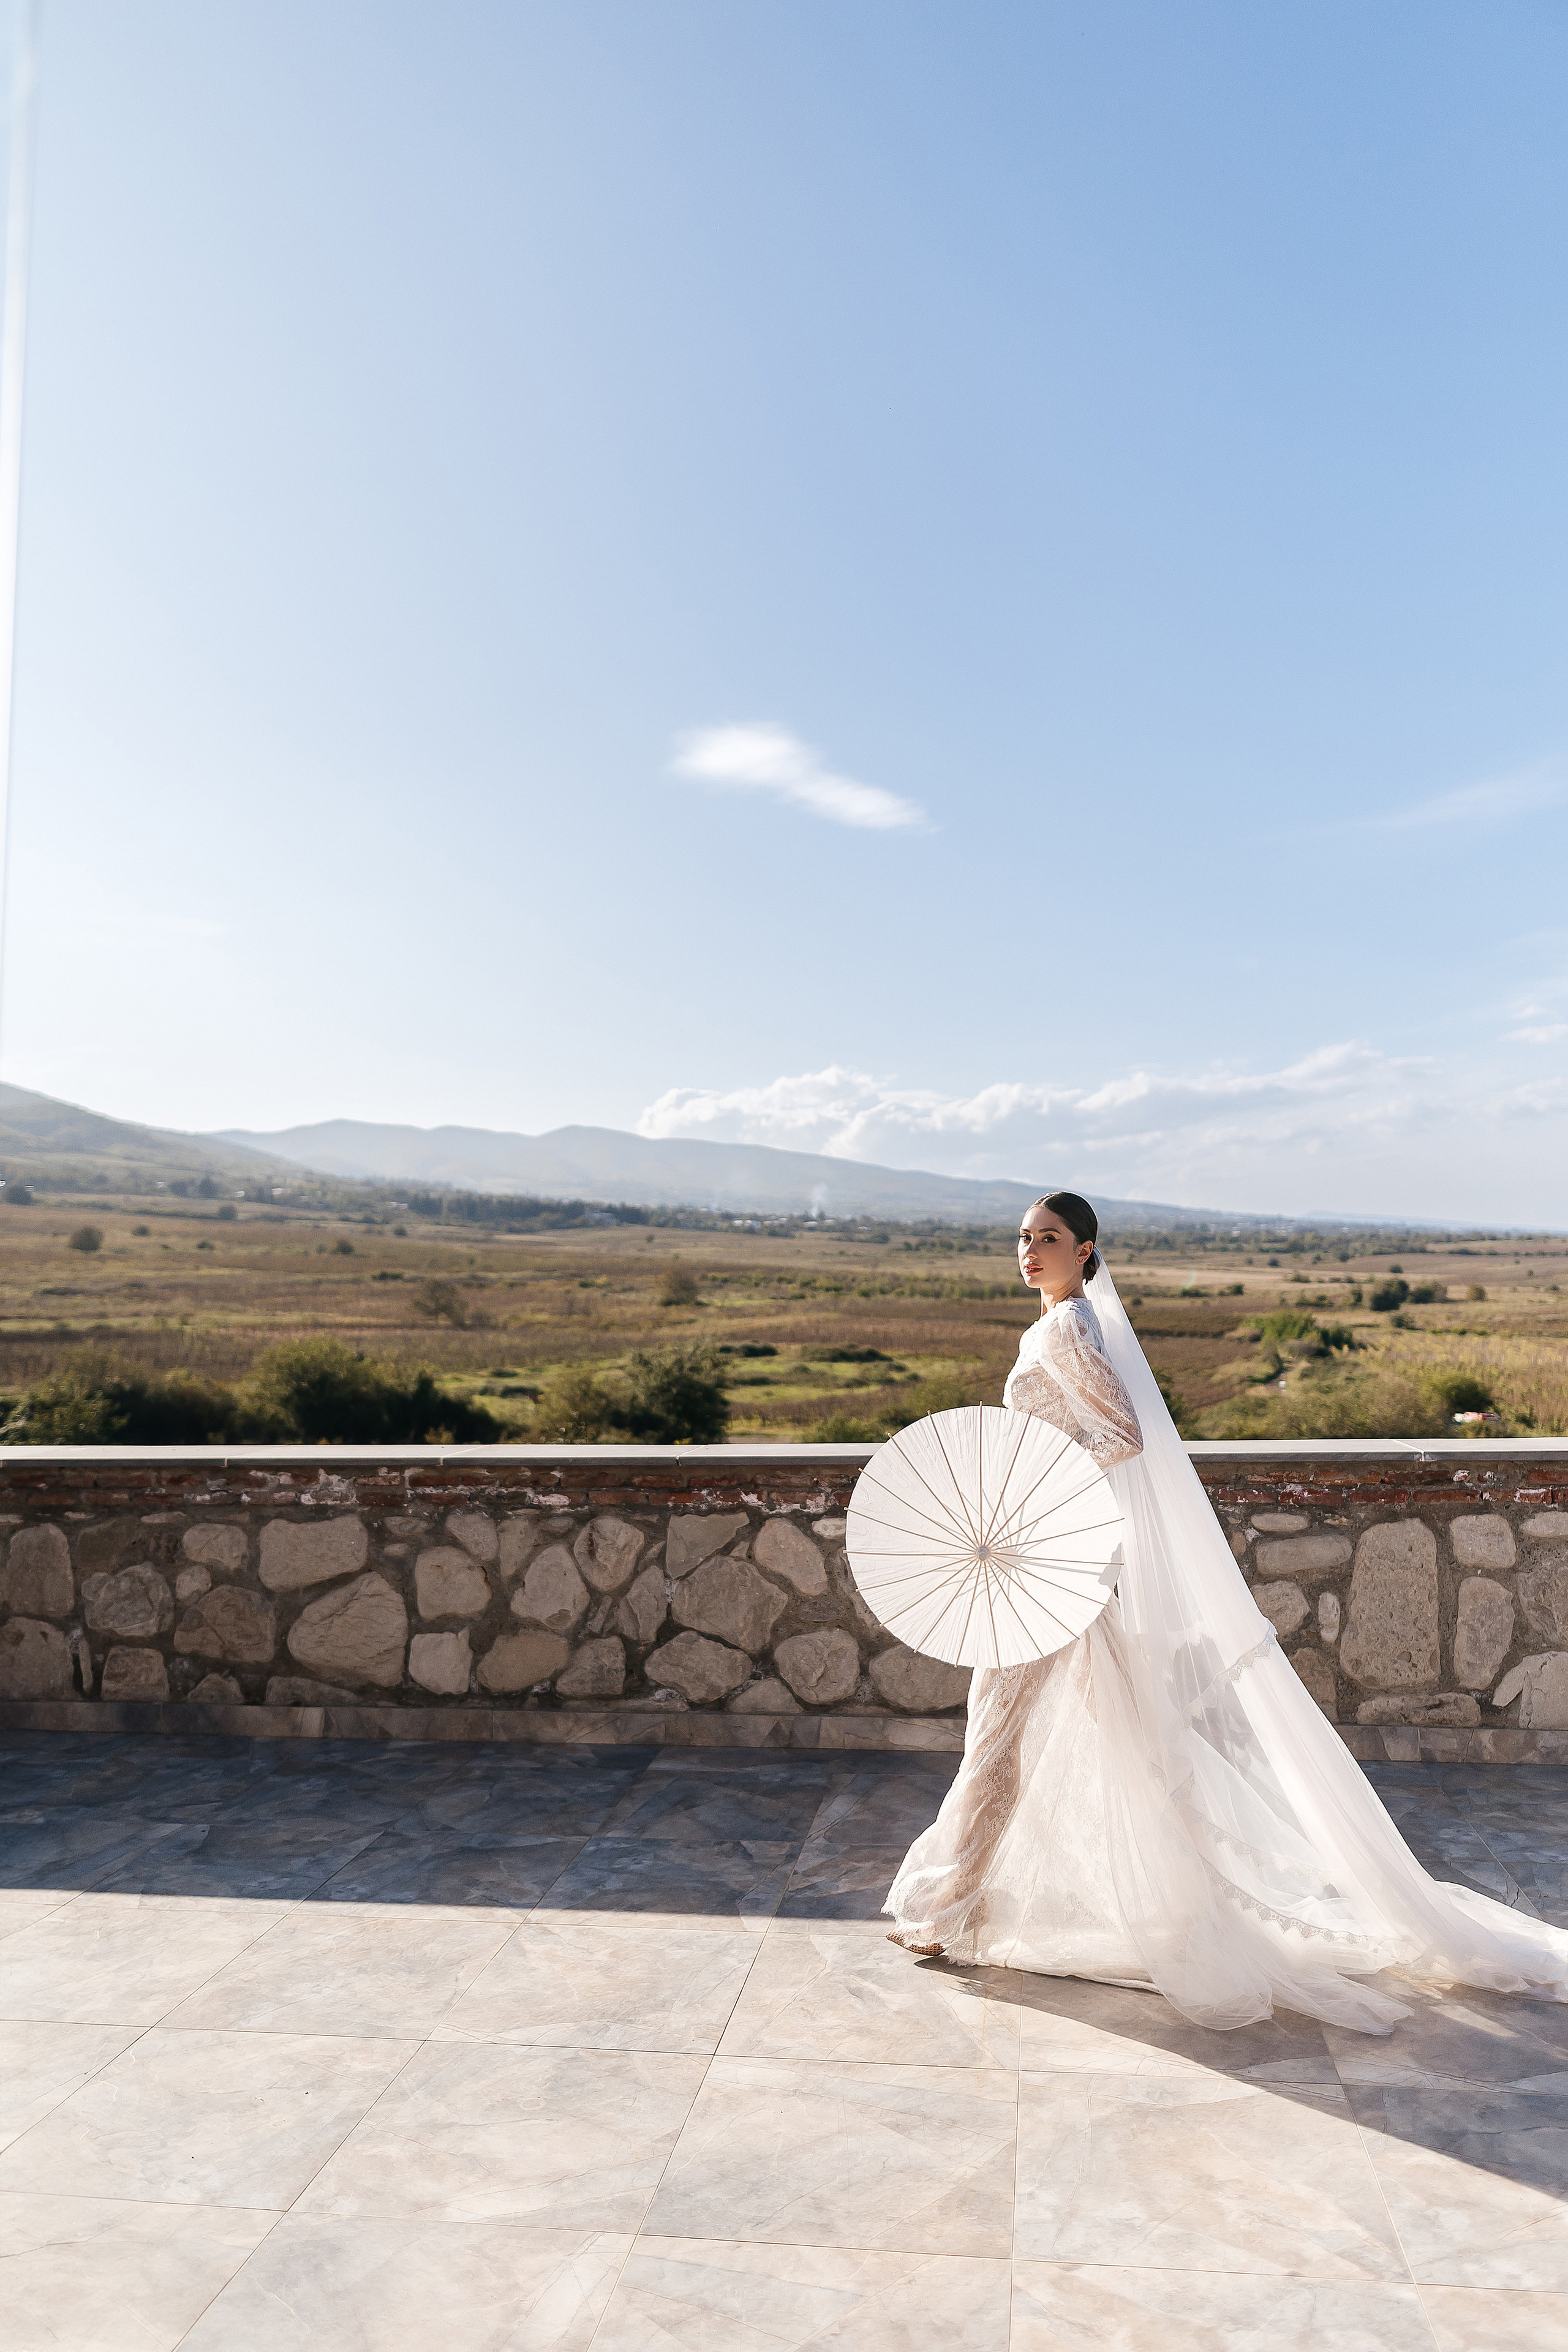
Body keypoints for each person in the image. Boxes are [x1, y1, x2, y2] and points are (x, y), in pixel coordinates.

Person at [883, 1190, 1568, 2032]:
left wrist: (1039, 1472)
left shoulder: (1066, 1329)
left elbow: (1122, 1435)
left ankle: (953, 1908)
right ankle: (1170, 1899)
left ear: (1086, 1250)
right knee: (1114, 1735)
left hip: (1050, 1568)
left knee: (999, 1734)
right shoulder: (1062, 1323)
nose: (1029, 1250)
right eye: (1023, 1238)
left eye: (1048, 1238)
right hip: (1047, 1562)